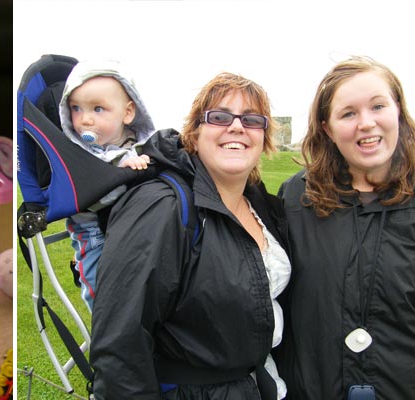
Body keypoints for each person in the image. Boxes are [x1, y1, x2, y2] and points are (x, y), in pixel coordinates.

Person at [90, 73, 290, 399]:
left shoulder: (261, 205)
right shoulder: (161, 205)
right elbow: (119, 342)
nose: (237, 126)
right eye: (220, 117)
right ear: (195, 132)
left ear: (264, 137)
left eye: (252, 119)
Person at [276, 56, 415, 399]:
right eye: (348, 113)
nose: (366, 123)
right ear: (327, 128)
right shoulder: (297, 198)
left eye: (378, 106)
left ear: (398, 109)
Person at [58, 60, 156, 311]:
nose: (85, 120)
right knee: (100, 290)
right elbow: (89, 192)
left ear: (128, 113)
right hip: (93, 233)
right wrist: (119, 172)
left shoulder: (137, 145)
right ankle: (106, 326)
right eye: (76, 108)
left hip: (130, 226)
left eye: (98, 109)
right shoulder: (79, 153)